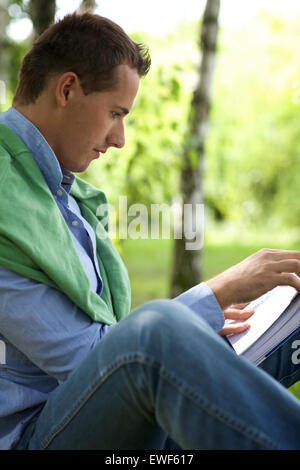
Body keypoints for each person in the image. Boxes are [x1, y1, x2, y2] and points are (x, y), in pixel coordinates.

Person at [0, 11, 300, 451]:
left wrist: (191, 334)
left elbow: (114, 345)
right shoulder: (7, 197)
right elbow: (95, 360)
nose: (119, 138)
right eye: (115, 113)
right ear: (66, 89)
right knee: (159, 333)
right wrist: (219, 292)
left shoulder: (62, 197)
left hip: (100, 413)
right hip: (35, 436)